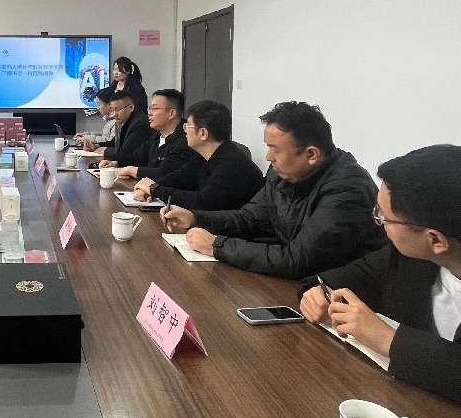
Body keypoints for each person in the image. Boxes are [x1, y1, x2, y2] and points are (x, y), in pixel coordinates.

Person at [299, 145, 461, 403]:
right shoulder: (408, 257)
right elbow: (336, 279)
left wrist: (385, 338)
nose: (379, 222)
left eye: (385, 217)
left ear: (435, 240)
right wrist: (318, 293)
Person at [160, 101, 385, 278]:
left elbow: (298, 259)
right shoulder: (282, 173)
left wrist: (217, 246)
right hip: (301, 283)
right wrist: (195, 218)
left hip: (342, 297)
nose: (268, 157)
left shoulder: (347, 189)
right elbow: (248, 218)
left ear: (311, 154)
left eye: (275, 149)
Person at [135, 100, 263, 210]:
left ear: (203, 133)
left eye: (187, 126)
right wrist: (152, 188)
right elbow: (182, 177)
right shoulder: (204, 155)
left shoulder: (232, 163)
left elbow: (203, 202)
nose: (184, 131)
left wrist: (155, 189)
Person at [103, 89, 194, 181]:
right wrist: (116, 163)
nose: (149, 113)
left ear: (171, 113)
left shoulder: (187, 139)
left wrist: (131, 170)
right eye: (150, 108)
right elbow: (137, 157)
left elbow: (167, 173)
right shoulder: (157, 135)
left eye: (154, 109)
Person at [84, 90, 153, 163]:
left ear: (131, 107)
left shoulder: (140, 124)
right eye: (112, 110)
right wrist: (97, 146)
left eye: (117, 109)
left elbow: (125, 153)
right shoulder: (126, 121)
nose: (114, 114)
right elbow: (115, 143)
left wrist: (105, 150)